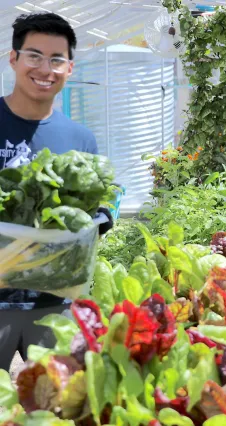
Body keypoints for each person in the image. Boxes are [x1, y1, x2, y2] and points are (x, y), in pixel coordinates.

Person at [0, 12, 112, 371]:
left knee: (59, 404)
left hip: (54, 301)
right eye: (34, 56)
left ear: (70, 68)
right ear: (13, 58)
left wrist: (103, 216)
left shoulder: (80, 139)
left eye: (56, 59)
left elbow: (97, 204)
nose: (44, 68)